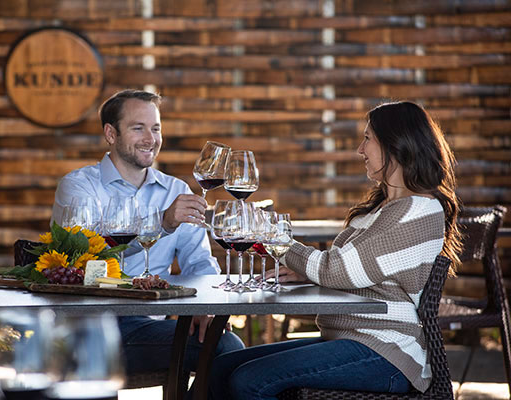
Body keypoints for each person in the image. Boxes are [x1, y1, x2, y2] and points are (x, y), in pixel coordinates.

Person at [209, 101, 463, 399]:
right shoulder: (382, 209)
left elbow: (338, 269)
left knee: (249, 380)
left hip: (387, 352)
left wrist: (271, 237)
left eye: (367, 138)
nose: (360, 149)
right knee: (220, 369)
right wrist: (312, 275)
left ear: (395, 144)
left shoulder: (419, 210)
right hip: (349, 340)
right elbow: (352, 273)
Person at [51, 89, 244, 376]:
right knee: (226, 350)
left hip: (148, 324)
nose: (150, 139)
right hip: (89, 325)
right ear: (111, 134)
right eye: (137, 128)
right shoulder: (79, 186)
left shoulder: (176, 190)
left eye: (155, 129)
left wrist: (208, 307)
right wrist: (162, 223)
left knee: (225, 344)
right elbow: (84, 260)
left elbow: (199, 262)